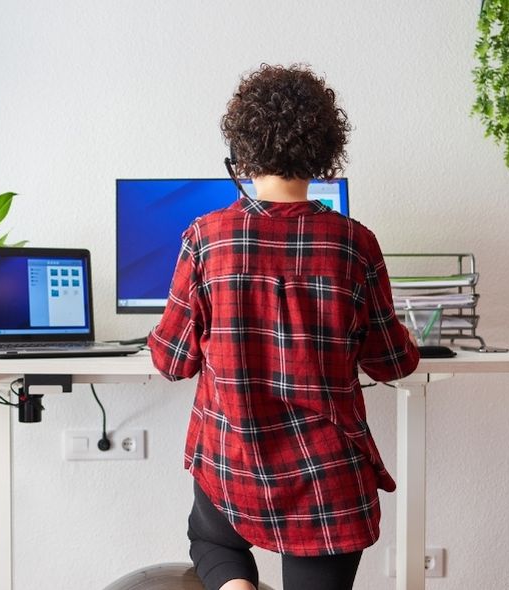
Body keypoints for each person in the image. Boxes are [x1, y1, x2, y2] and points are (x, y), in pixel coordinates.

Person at [148, 64, 420, 590]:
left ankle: (235, 587)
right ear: (323, 152)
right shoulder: (355, 243)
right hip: (327, 485)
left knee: (211, 540)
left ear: (241, 153)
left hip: (234, 466)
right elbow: (392, 363)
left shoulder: (206, 239)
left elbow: (171, 362)